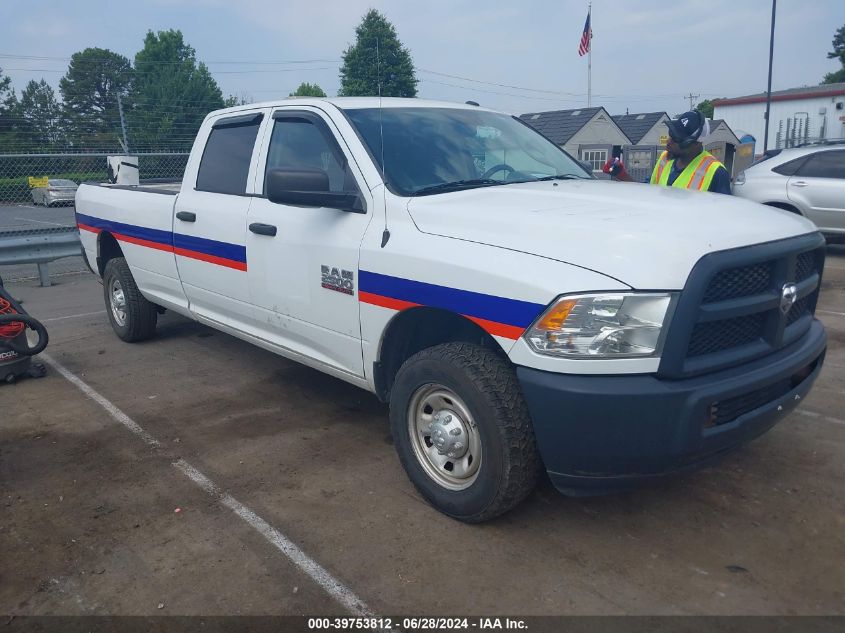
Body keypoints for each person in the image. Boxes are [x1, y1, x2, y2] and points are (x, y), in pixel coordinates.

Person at [602, 110, 732, 195]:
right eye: (670, 134)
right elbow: (647, 192)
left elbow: (722, 216)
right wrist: (621, 174)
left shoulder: (716, 172)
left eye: (675, 138)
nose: (668, 142)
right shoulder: (666, 159)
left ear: (693, 143)